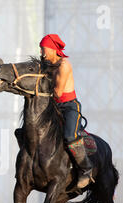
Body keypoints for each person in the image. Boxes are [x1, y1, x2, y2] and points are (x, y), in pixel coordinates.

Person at [40, 34, 93, 188]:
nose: (42, 53)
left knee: (70, 136)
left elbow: (57, 92)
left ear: (52, 49)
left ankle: (86, 169)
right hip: (52, 106)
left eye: (44, 49)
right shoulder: (46, 64)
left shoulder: (64, 65)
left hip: (69, 106)